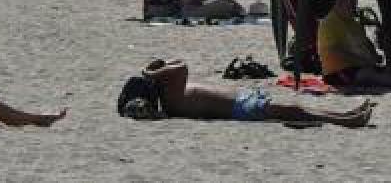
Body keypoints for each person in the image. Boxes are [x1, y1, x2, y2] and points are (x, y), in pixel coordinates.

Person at [133, 59, 371, 126]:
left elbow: (177, 64)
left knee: (297, 109)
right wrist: (151, 72)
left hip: (241, 101)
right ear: (161, 80)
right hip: (241, 108)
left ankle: (345, 115)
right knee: (296, 111)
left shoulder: (172, 95)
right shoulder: (172, 98)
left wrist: (157, 70)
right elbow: (182, 65)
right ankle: (348, 121)